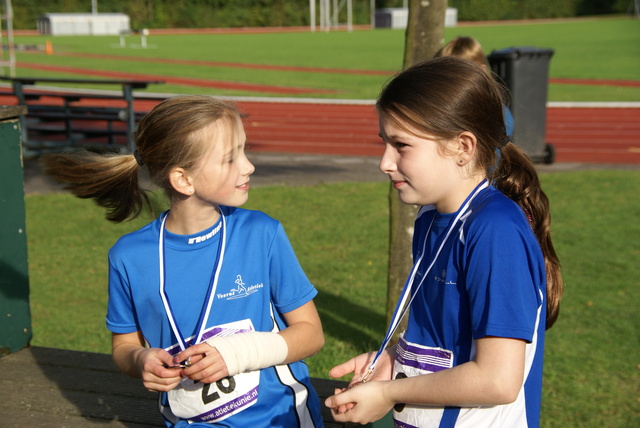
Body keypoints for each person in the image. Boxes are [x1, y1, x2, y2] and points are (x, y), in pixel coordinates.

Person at [43, 95, 325, 427]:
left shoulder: (261, 233)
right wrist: (141, 359)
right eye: (231, 158)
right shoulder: (128, 257)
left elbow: (311, 335)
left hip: (279, 419)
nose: (248, 166)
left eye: (244, 152)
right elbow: (124, 345)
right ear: (184, 180)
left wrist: (236, 354)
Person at [324, 57, 563, 427]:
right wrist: (395, 362)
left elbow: (497, 381)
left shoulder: (494, 230)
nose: (384, 162)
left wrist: (389, 394)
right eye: (384, 143)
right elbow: (446, 339)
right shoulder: (431, 217)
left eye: (401, 145)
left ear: (463, 147)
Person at [436, 36, 515, 139]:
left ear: (481, 71)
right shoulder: (442, 103)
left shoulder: (495, 111)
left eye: (461, 74)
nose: (452, 82)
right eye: (446, 75)